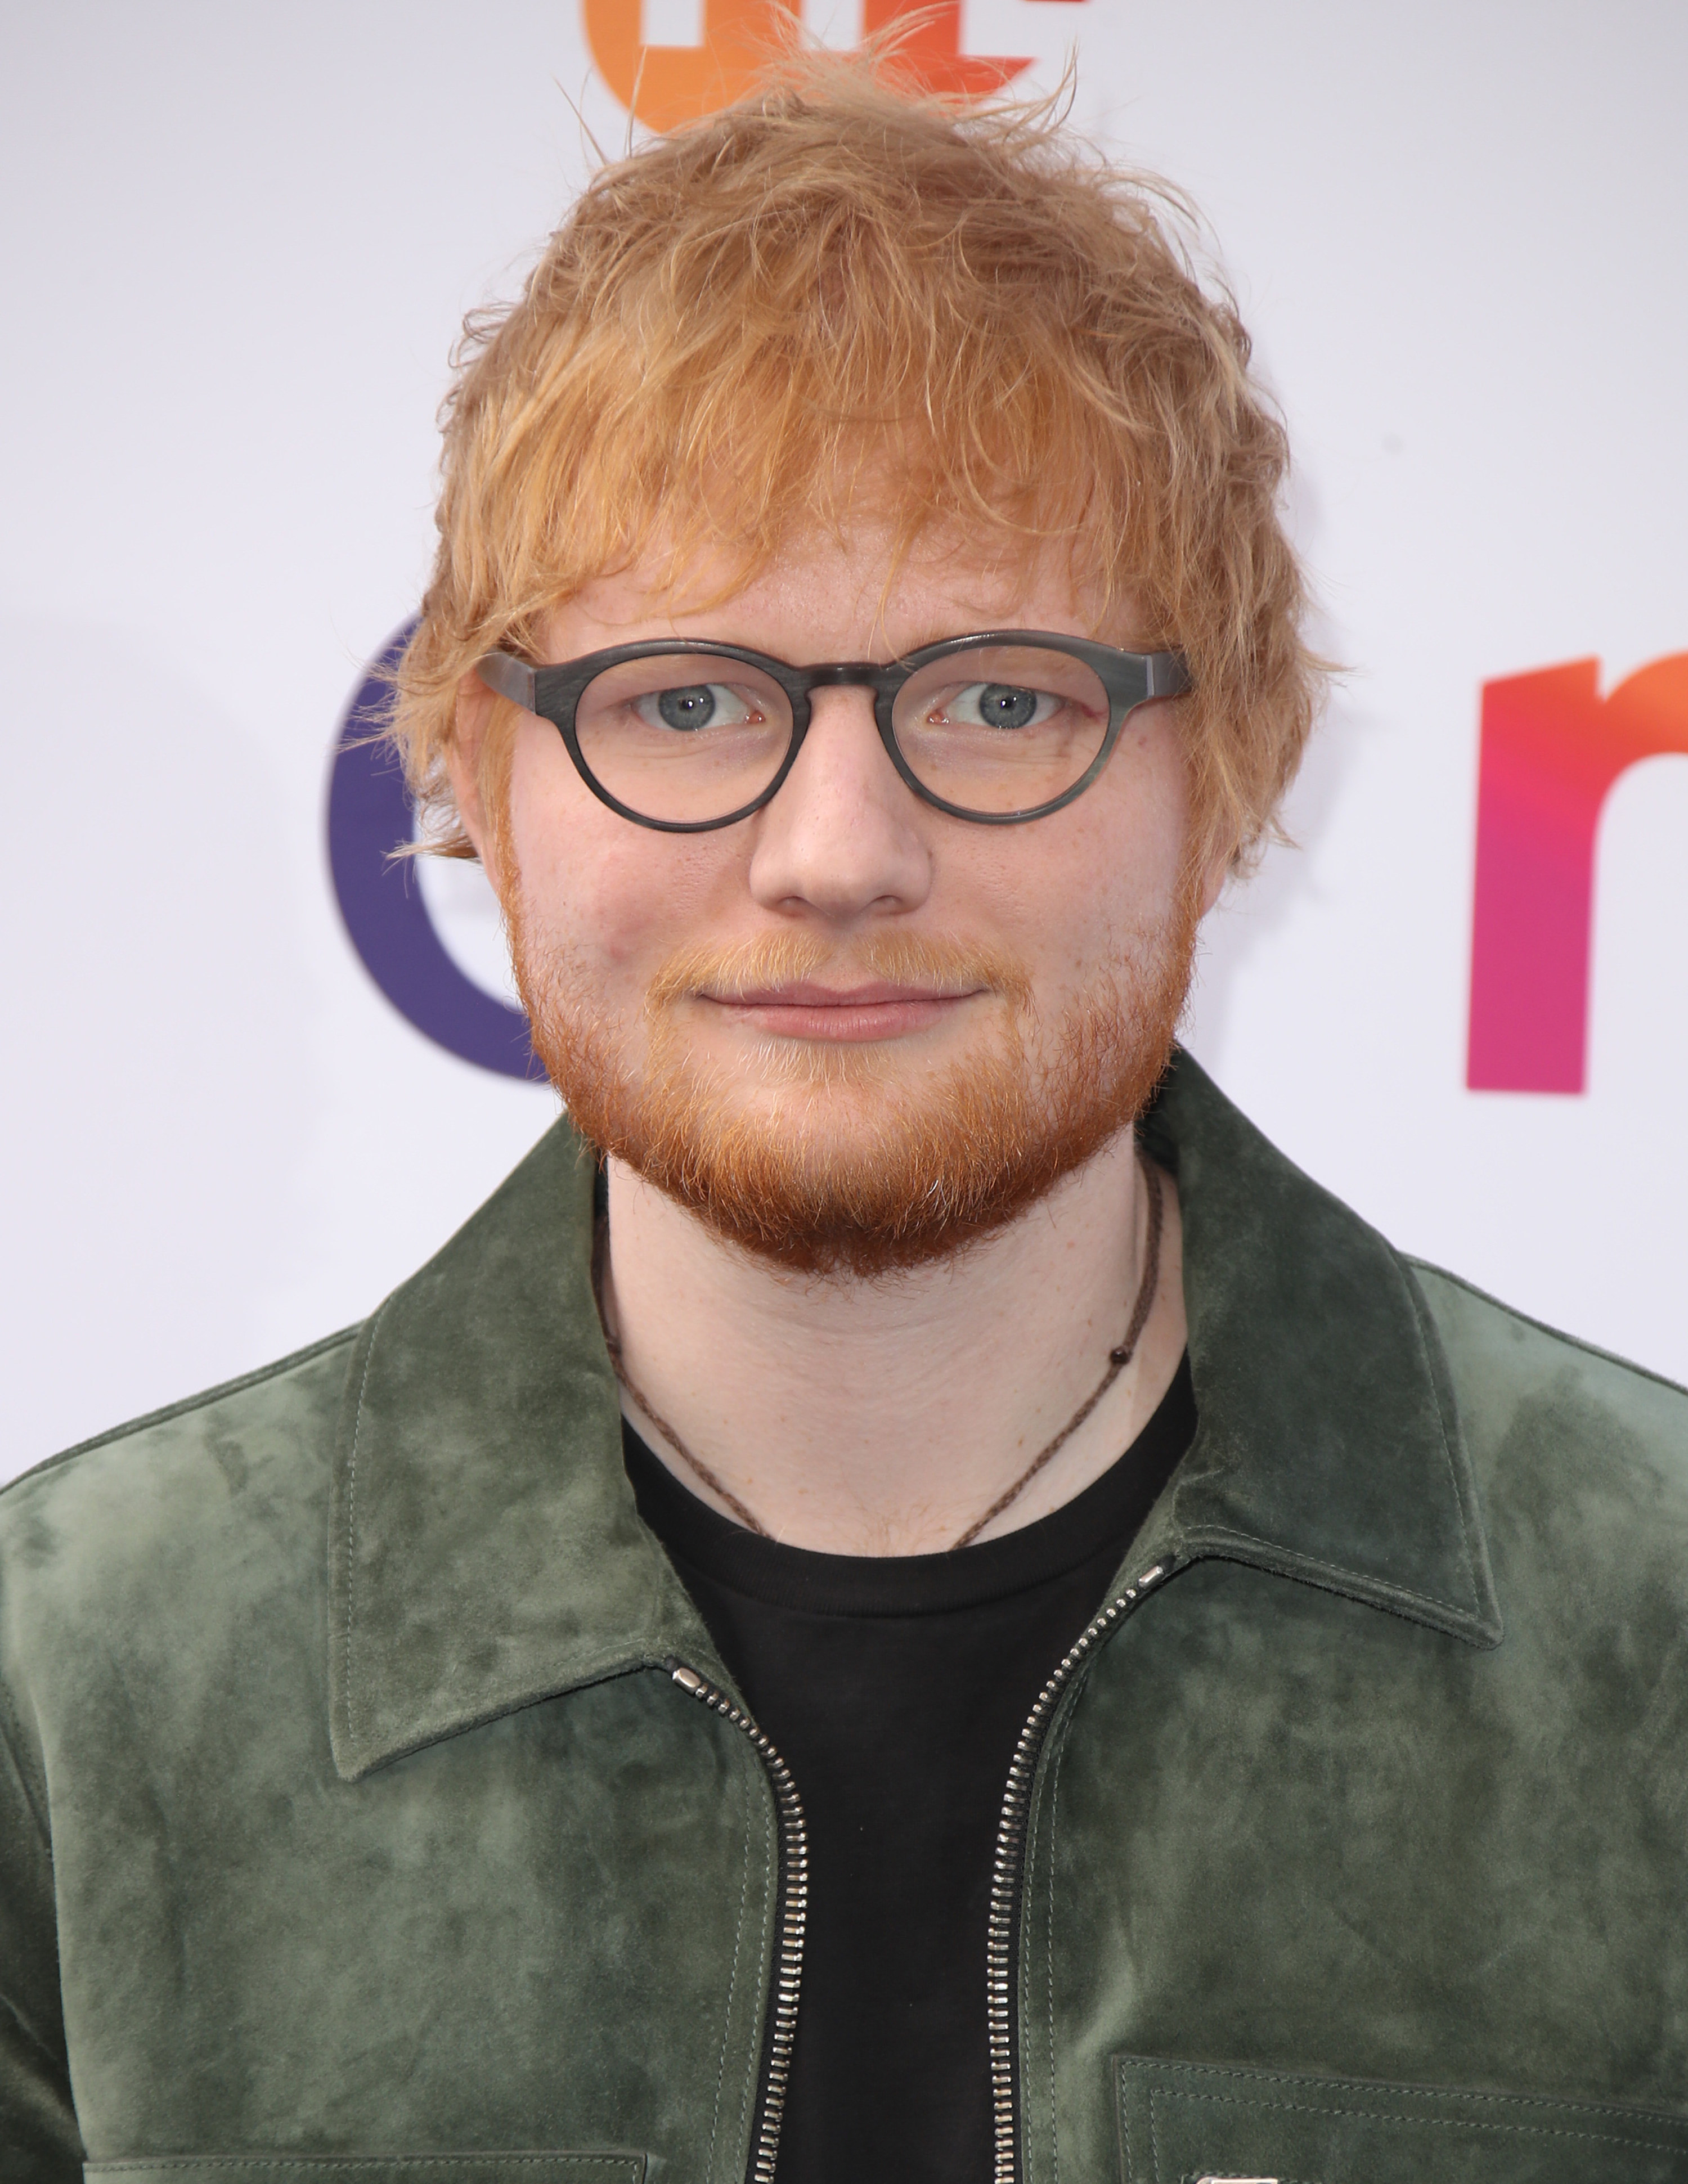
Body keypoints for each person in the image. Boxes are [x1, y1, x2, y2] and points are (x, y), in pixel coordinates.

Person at [4, 51, 1686, 2184]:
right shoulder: (71, 1684)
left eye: (998, 698)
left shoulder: (1654, 1631)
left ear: (1235, 766)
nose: (834, 848)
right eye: (687, 699)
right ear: (472, 772)